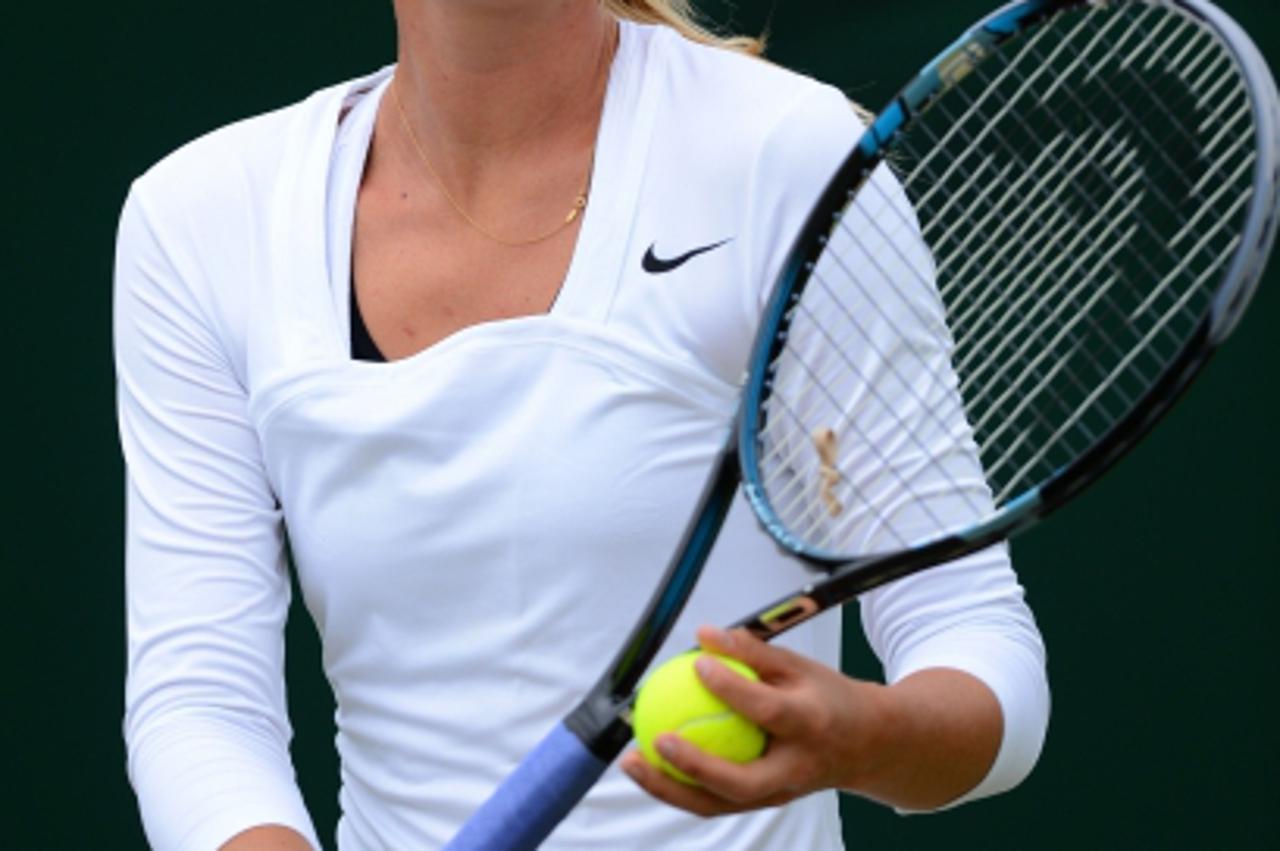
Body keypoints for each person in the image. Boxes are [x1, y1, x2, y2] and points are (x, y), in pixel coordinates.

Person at [115, 1, 1050, 848]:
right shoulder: (198, 218)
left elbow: (973, 643)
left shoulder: (783, 150)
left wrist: (860, 736)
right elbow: (201, 703)